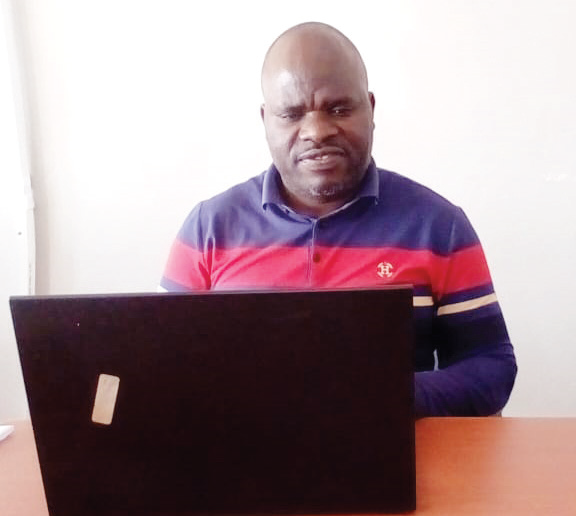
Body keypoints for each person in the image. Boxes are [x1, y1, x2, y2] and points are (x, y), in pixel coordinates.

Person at [160, 22, 517, 417]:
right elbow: (163, 365)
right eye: (291, 114)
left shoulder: (439, 226)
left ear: (371, 109)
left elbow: (491, 366)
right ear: (265, 120)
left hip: (392, 448)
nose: (316, 131)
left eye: (339, 109)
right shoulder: (208, 229)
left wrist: (389, 394)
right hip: (240, 450)